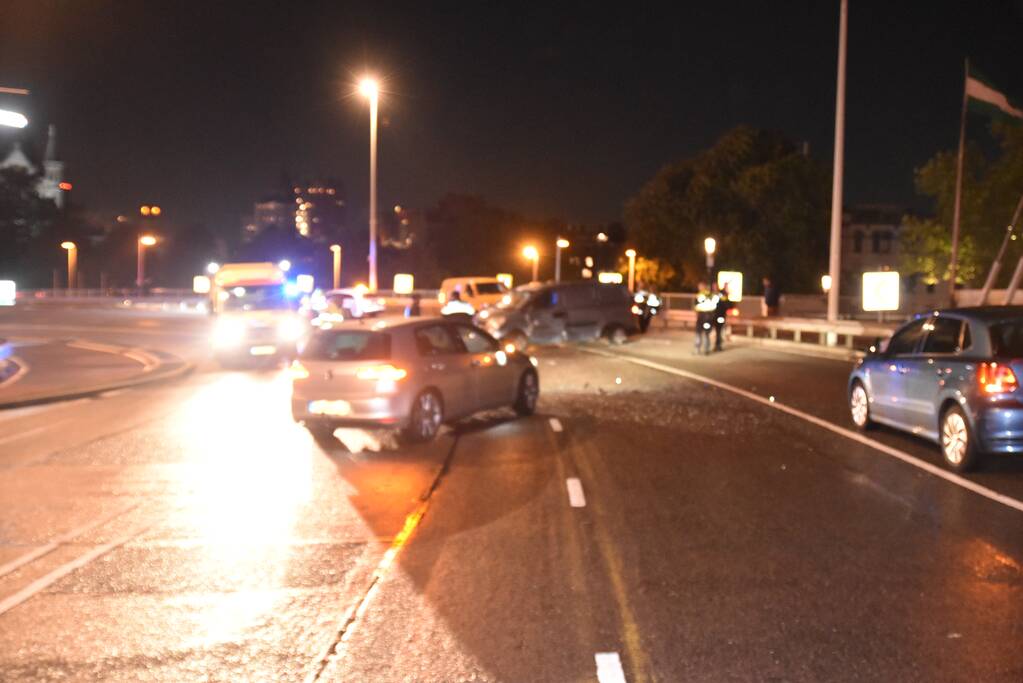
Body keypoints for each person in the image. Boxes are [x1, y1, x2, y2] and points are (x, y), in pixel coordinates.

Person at [693, 281, 718, 355]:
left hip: (705, 316)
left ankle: (702, 349)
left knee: (702, 333)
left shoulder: (705, 295)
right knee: (701, 333)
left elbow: (696, 305)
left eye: (701, 286)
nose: (700, 288)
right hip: (704, 316)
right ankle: (703, 349)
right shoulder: (708, 295)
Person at [713, 282, 732, 351]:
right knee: (717, 330)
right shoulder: (714, 294)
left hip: (721, 315)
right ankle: (717, 344)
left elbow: (726, 304)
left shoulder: (722, 294)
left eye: (715, 286)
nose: (714, 288)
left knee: (719, 330)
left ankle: (718, 345)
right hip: (714, 315)